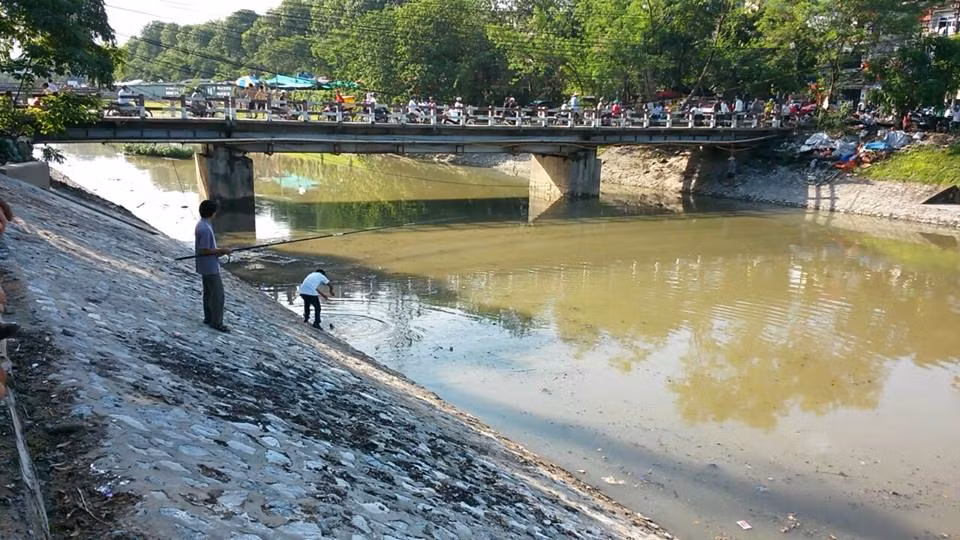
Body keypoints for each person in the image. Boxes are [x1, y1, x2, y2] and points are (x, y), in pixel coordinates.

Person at [194, 200, 232, 333]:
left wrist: (219, 251)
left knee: (208, 293)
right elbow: (204, 250)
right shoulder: (205, 228)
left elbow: (206, 249)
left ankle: (208, 318)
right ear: (213, 213)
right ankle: (216, 322)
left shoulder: (201, 224)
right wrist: (223, 250)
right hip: (210, 267)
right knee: (218, 295)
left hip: (205, 265)